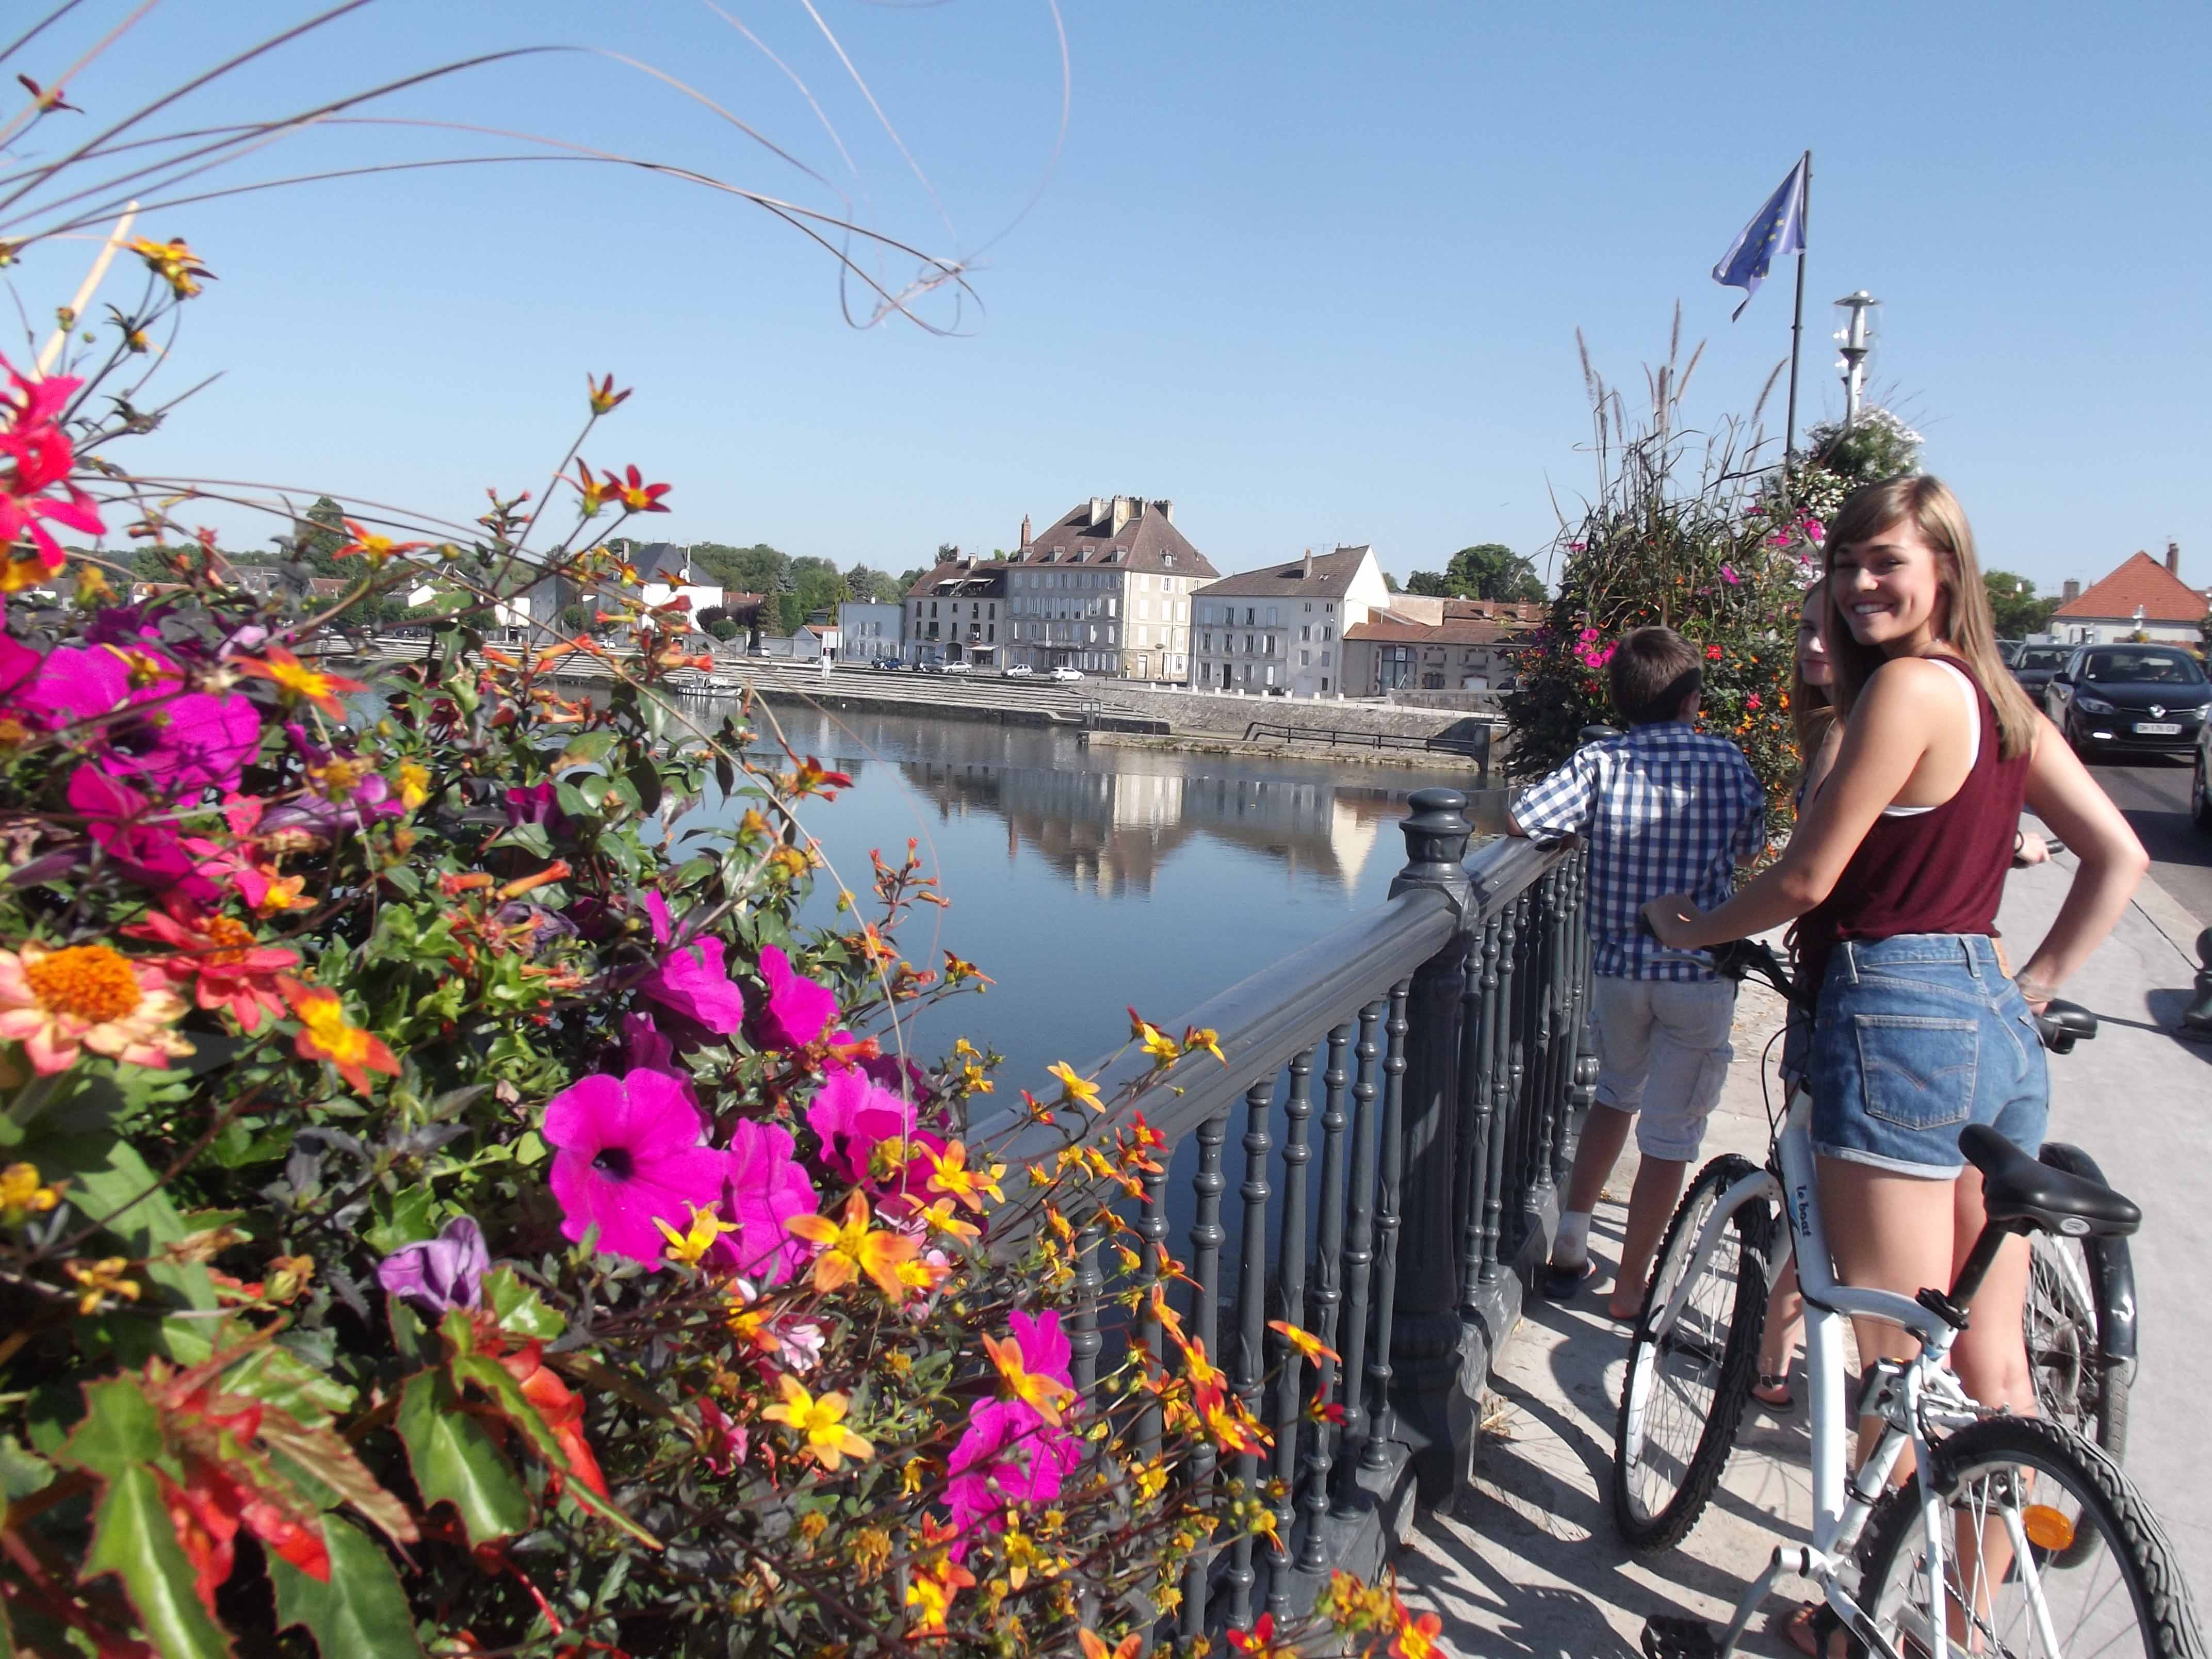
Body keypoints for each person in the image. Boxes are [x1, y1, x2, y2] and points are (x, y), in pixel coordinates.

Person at [1640, 477, 2145, 1659]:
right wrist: (2029, 988)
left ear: (1944, 571)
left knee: (1895, 1373)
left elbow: (1807, 882)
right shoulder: (1995, 695)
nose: (1859, 584)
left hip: (1894, 1021)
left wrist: (1688, 927)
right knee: (1991, 1375)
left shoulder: (1905, 692)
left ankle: (1857, 1629)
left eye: (1885, 563)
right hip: (1984, 1018)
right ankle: (1948, 1629)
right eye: (1844, 562)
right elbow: (2113, 852)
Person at [1510, 625, 1767, 1320]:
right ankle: (1632, 1288)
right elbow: (1753, 849)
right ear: (1692, 701)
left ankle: (1570, 1242)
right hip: (1700, 973)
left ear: (1622, 700)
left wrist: (1572, 832)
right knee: (1672, 1136)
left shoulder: (1603, 761)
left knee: (1616, 1093)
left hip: (1621, 972)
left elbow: (1523, 817)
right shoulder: (1727, 761)